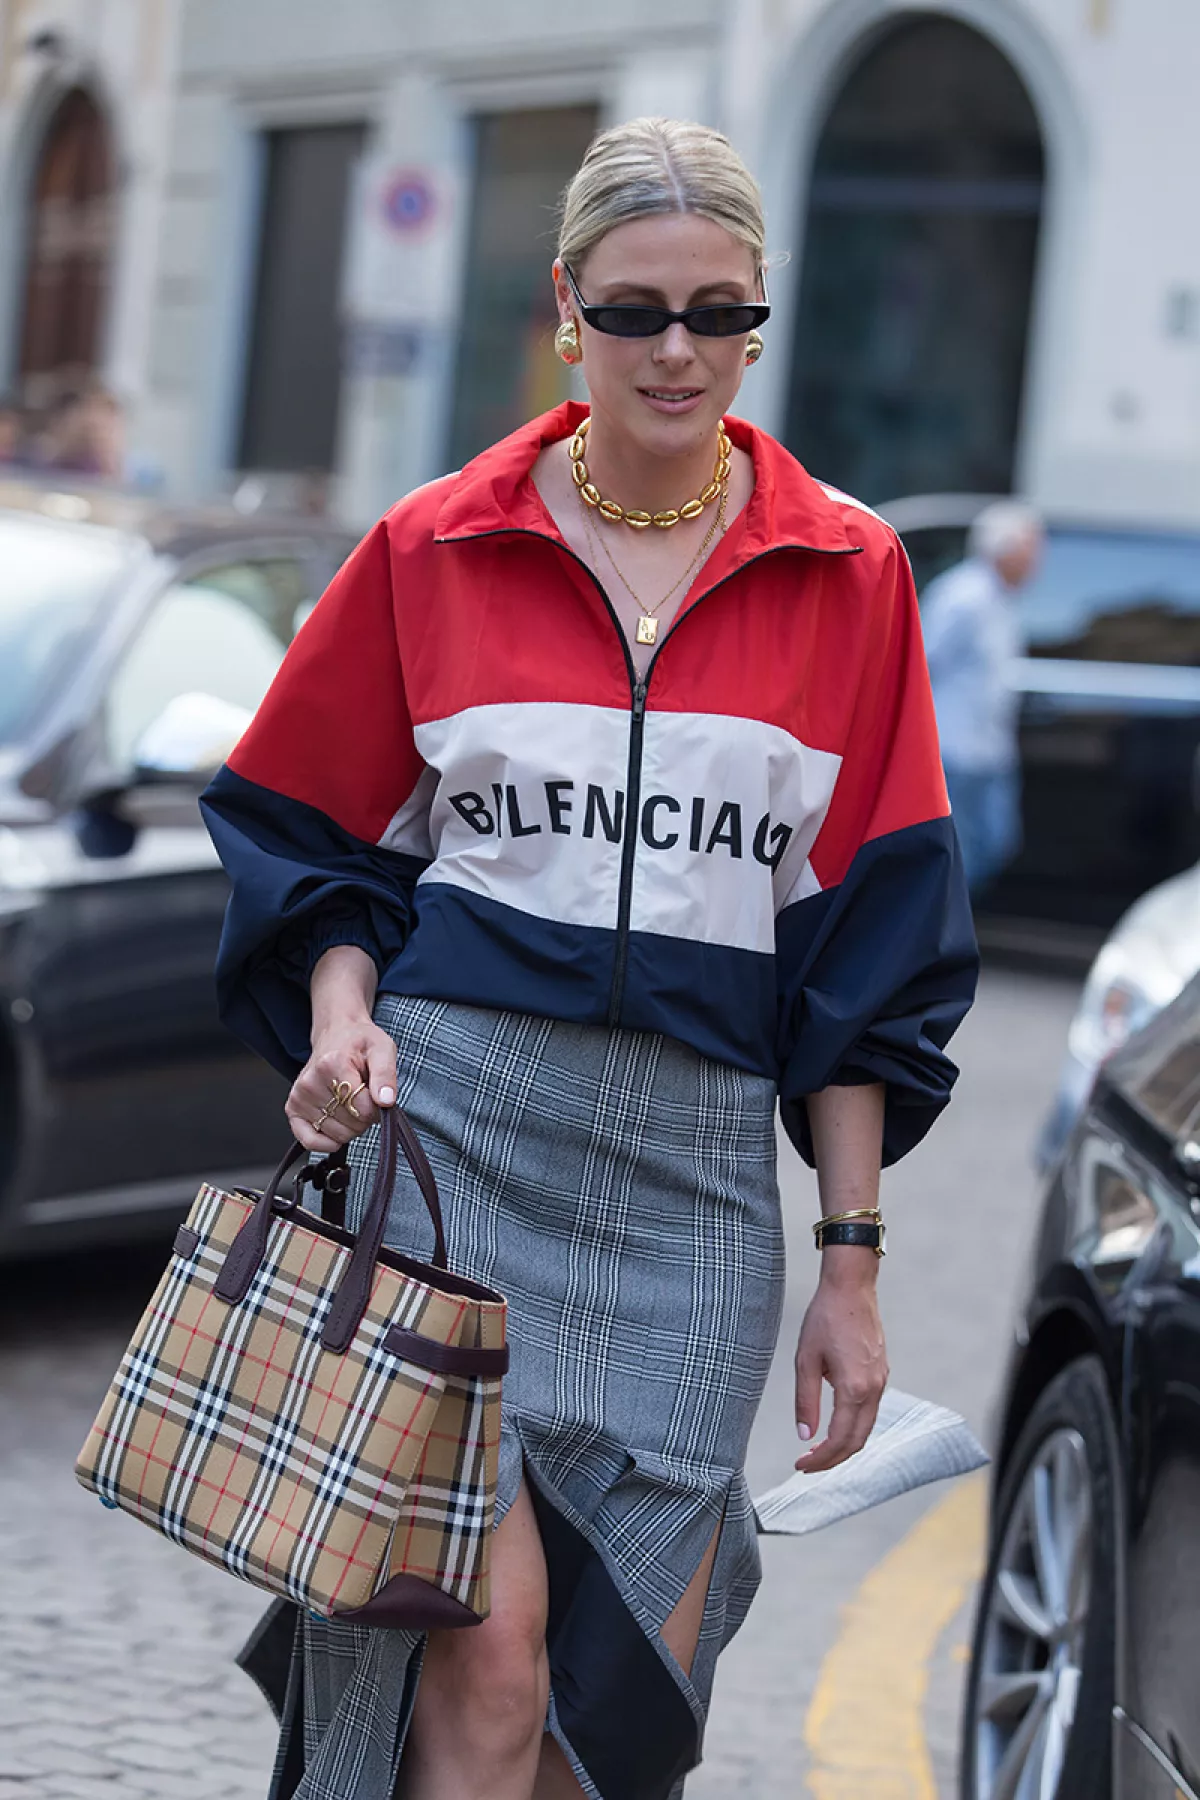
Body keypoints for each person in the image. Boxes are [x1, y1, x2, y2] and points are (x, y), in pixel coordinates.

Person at [201, 117, 977, 1800]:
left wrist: (847, 1265)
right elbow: (313, 846)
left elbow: (869, 954)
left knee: (605, 1719)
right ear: (568, 309)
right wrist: (340, 1022)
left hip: (697, 1201)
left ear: (763, 315)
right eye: (636, 310)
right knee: (482, 1664)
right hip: (460, 1159)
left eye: (720, 311)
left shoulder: (853, 577)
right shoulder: (435, 542)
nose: (680, 350)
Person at [921, 500, 1044, 897]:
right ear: (1004, 549)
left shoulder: (1003, 601)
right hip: (954, 749)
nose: (1036, 561)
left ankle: (942, 925)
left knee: (995, 843)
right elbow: (922, 661)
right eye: (1031, 549)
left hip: (991, 750)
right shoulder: (962, 597)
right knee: (959, 851)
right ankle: (937, 934)